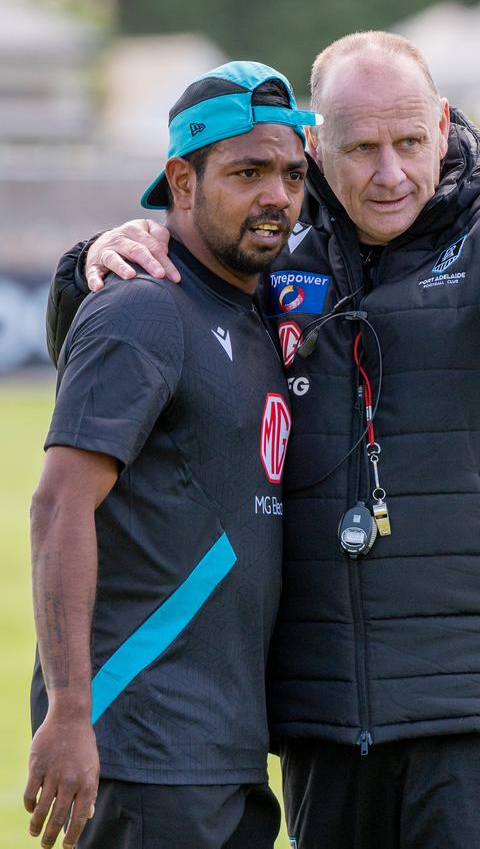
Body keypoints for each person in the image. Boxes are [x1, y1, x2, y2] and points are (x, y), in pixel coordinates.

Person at [45, 32, 480, 849]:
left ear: (441, 123)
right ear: (320, 147)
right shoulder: (278, 246)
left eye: (409, 143)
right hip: (324, 723)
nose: (389, 172)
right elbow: (147, 329)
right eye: (361, 148)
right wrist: (90, 265)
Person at [25, 60, 319, 849]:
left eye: (292, 174)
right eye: (247, 171)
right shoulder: (143, 308)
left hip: (221, 749)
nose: (277, 197)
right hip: (140, 746)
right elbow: (58, 506)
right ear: (180, 182)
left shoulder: (255, 309)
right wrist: (69, 712)